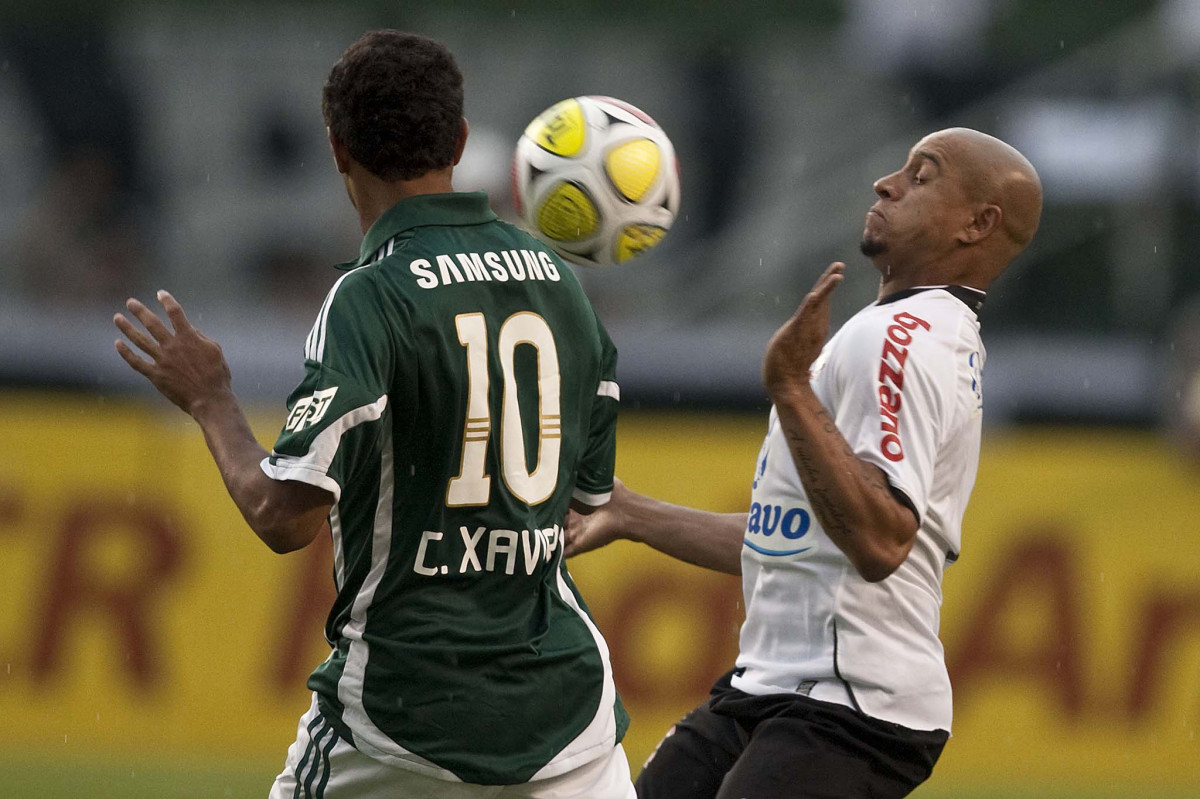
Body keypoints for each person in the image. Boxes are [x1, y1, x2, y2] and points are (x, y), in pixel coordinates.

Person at [113, 30, 636, 799]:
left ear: (337, 151)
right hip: (568, 718)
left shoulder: (370, 296)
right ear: (459, 139)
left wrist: (212, 400)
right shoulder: (559, 281)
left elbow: (284, 518)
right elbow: (584, 506)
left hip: (404, 718)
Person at [567, 127, 1043, 799]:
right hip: (773, 685)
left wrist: (790, 390)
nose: (887, 183)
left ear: (978, 224)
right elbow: (790, 538)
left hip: (852, 700)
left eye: (922, 176)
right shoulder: (913, 332)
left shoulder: (900, 338)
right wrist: (629, 511)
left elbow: (881, 540)